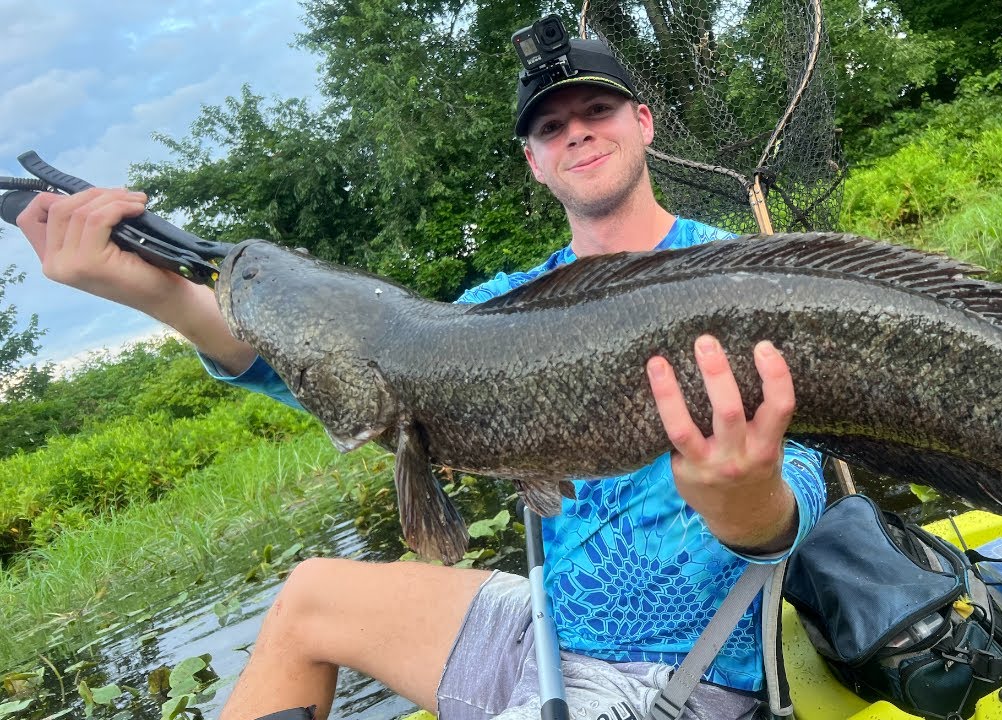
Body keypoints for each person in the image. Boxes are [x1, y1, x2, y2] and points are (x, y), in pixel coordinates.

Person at [16, 35, 826, 720]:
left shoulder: (743, 277)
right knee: (310, 597)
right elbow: (354, 372)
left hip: (676, 675)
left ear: (642, 122)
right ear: (534, 163)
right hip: (548, 629)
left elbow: (806, 488)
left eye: (596, 111)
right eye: (551, 126)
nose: (575, 132)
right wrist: (166, 297)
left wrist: (746, 505)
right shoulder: (491, 311)